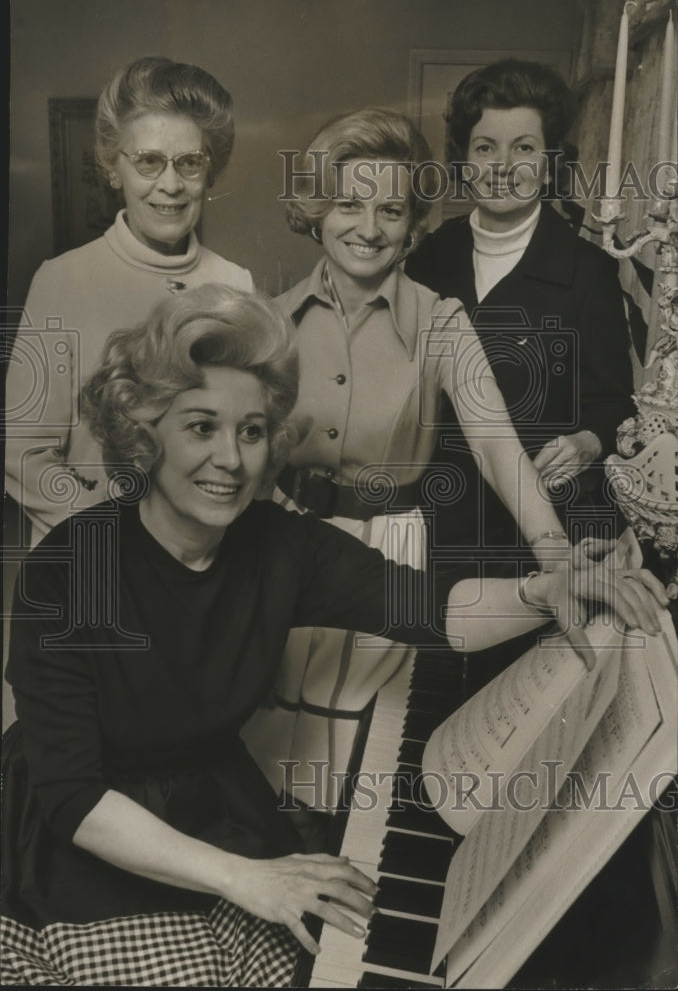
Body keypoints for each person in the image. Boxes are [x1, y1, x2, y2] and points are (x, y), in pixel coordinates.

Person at [1, 283, 667, 988]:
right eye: (201, 427)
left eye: (251, 431)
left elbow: (430, 608)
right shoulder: (70, 570)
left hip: (211, 803)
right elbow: (72, 795)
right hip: (83, 836)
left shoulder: (282, 546)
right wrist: (246, 878)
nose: (230, 459)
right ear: (147, 434)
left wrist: (543, 589)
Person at [242, 107, 596, 809]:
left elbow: (496, 446)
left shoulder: (442, 320)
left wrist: (555, 556)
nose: (368, 227)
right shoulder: (269, 320)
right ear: (318, 210)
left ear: (412, 227)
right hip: (281, 539)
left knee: (354, 761)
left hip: (389, 546)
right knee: (261, 734)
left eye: (391, 209)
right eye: (348, 203)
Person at [5, 55, 252, 546]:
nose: (171, 184)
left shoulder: (236, 284)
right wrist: (119, 543)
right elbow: (20, 452)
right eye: (148, 161)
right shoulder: (62, 281)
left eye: (190, 162)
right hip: (91, 557)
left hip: (200, 564)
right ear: (113, 168)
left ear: (211, 170)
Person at [405, 57, 635, 552]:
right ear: (464, 159)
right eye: (486, 147)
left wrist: (587, 442)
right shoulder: (428, 258)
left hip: (541, 531)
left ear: (551, 161)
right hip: (436, 521)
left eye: (524, 148)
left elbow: (616, 405)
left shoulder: (588, 271)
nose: (503, 167)